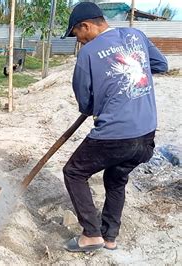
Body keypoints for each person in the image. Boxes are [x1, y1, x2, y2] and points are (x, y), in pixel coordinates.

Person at [60, 2, 168, 252]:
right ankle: (110, 237)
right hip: (146, 133)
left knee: (74, 172)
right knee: (116, 177)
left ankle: (91, 234)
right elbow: (161, 65)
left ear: (85, 25)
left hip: (116, 134)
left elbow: (85, 103)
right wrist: (132, 72)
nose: (79, 40)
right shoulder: (136, 36)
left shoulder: (87, 54)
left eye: (76, 33)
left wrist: (106, 88)